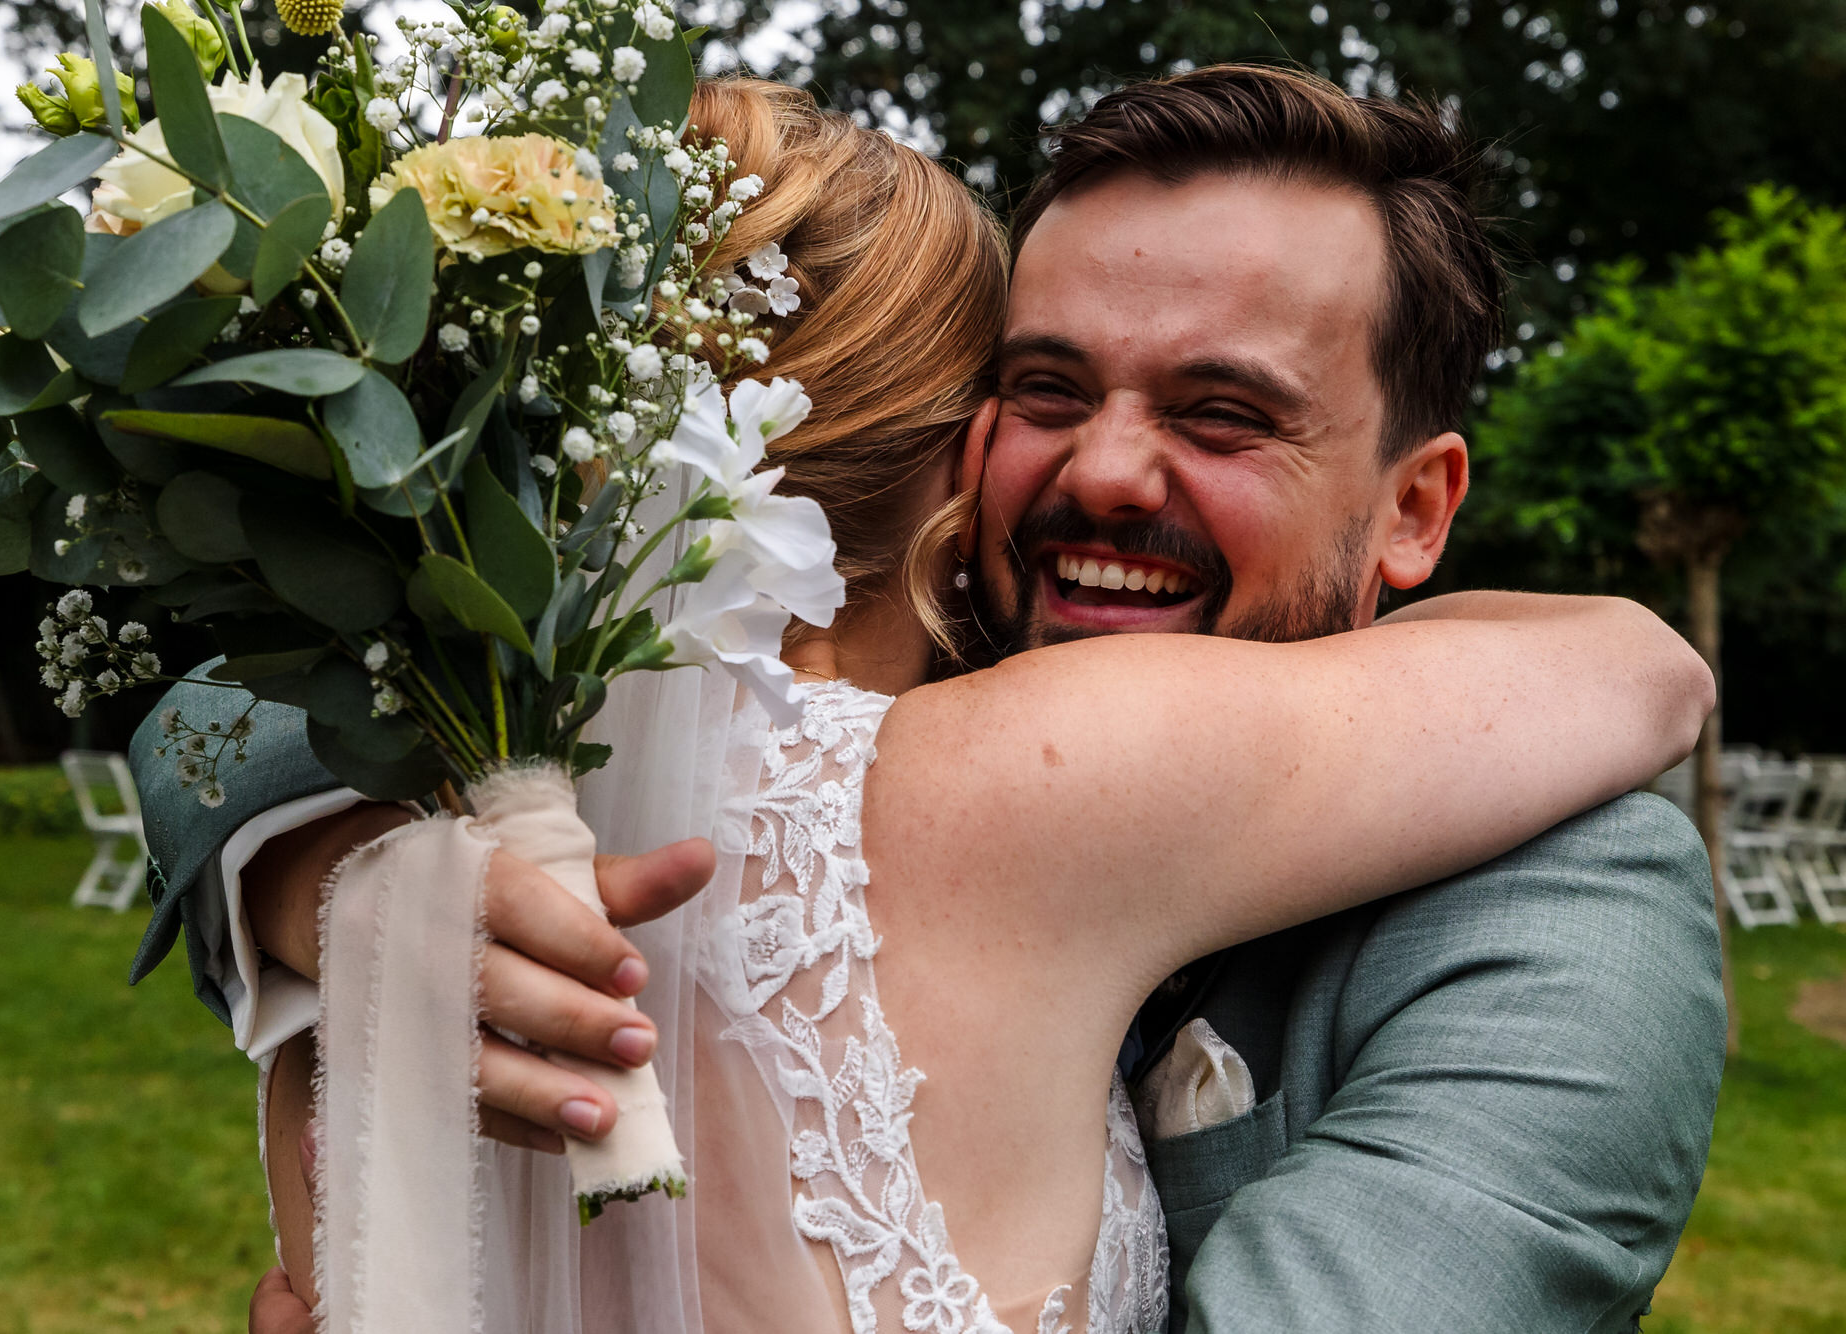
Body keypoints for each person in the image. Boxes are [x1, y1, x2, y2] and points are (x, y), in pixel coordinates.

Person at [133, 70, 1723, 1333]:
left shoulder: (1571, 907)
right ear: (954, 458)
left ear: (1417, 506)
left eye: (1224, 411)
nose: (1100, 470)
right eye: (1043, 390)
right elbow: (215, 728)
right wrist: (300, 854)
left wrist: (338, 872)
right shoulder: (466, 829)